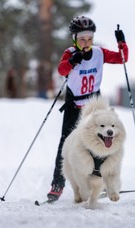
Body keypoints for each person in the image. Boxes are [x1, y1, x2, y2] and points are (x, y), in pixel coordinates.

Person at [47, 16, 128, 201]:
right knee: (65, 145)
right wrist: (72, 61)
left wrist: (121, 42)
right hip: (74, 106)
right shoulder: (69, 53)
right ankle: (57, 184)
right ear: (75, 39)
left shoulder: (99, 53)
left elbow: (122, 58)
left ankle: (103, 182)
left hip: (94, 109)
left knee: (103, 141)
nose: (86, 43)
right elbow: (61, 70)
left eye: (90, 39)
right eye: (82, 39)